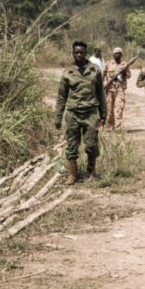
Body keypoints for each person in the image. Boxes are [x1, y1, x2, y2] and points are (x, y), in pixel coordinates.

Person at [55, 41, 107, 185]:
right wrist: (58, 117)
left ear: (86, 53)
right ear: (73, 53)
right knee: (72, 145)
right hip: (73, 114)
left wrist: (103, 114)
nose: (79, 55)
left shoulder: (95, 70)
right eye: (76, 52)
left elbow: (101, 94)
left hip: (91, 113)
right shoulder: (68, 72)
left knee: (91, 144)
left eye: (82, 52)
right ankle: (72, 174)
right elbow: (61, 97)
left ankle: (91, 172)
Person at [103, 47, 132, 130]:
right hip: (109, 89)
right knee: (109, 109)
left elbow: (129, 76)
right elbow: (103, 74)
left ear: (121, 55)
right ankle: (109, 126)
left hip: (120, 90)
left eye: (118, 53)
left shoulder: (124, 64)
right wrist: (102, 85)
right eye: (115, 54)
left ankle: (118, 128)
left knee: (119, 109)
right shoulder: (108, 64)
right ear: (113, 55)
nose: (117, 55)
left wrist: (124, 72)